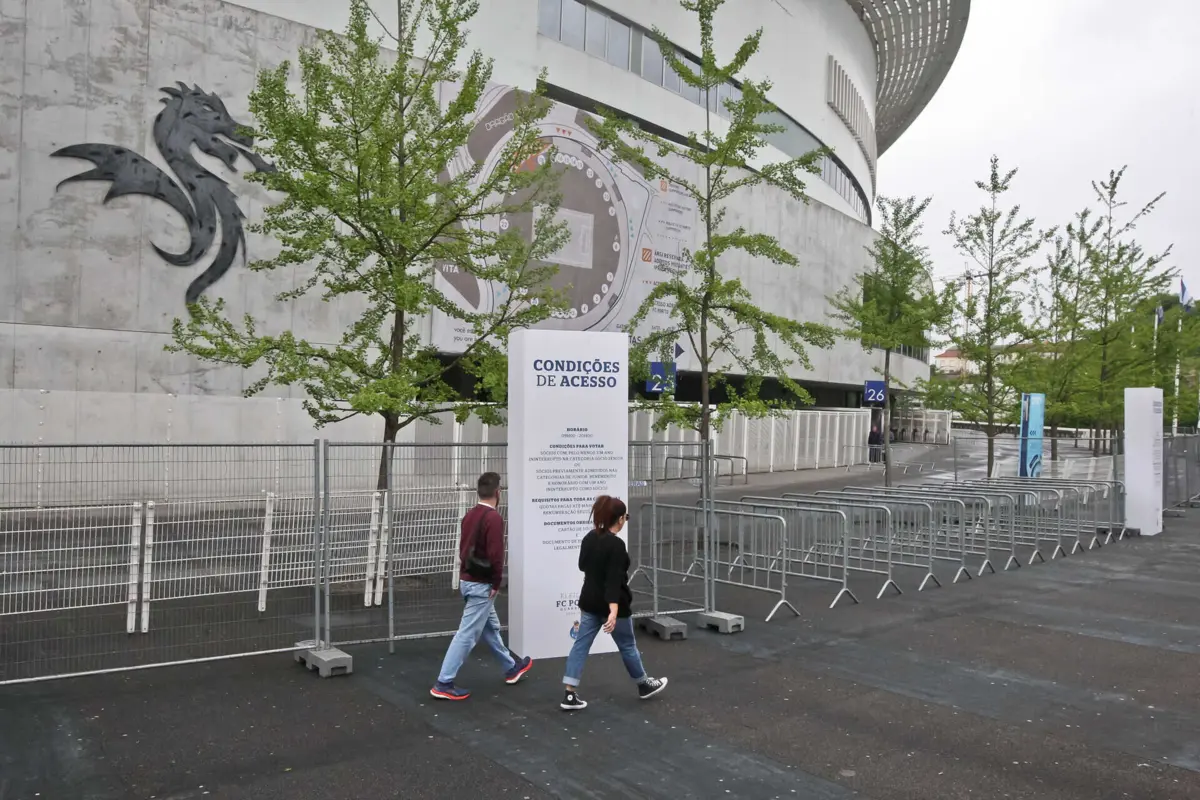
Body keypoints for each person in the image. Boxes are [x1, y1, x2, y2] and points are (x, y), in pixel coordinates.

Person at [430, 472, 532, 700]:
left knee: (490, 627)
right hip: (482, 585)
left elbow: (463, 549)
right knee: (467, 634)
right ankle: (443, 682)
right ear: (498, 492)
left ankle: (511, 668)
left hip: (468, 580)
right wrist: (496, 582)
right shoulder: (493, 519)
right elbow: (496, 555)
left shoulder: (470, 515)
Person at [560, 495, 667, 711]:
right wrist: (613, 610)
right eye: (626, 517)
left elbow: (582, 566)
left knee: (580, 645)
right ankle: (643, 684)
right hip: (614, 604)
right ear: (619, 519)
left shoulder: (589, 538)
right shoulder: (616, 545)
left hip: (589, 601)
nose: (626, 520)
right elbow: (614, 580)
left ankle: (569, 693)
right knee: (627, 645)